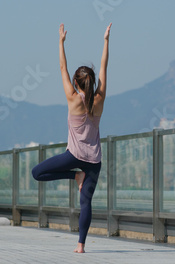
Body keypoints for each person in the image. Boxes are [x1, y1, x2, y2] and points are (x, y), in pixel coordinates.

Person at [31, 22, 112, 253]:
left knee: (37, 173)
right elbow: (105, 66)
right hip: (94, 160)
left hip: (74, 156)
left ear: (77, 83)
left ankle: (74, 176)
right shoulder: (100, 98)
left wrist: (61, 42)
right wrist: (105, 41)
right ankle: (80, 245)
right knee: (85, 202)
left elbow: (61, 67)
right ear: (93, 82)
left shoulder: (72, 97)